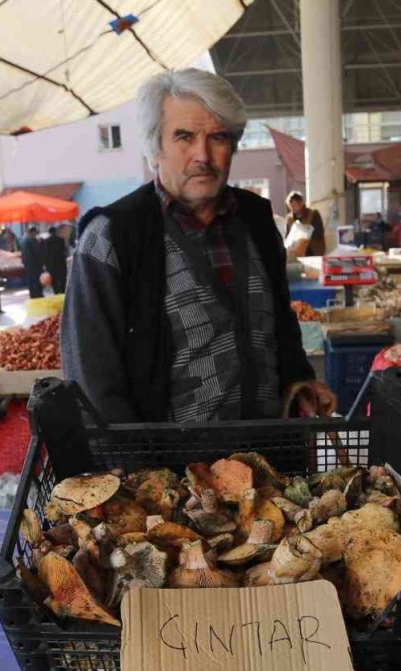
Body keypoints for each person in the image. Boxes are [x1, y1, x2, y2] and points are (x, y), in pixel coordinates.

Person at [61, 67, 331, 423]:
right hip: (166, 468)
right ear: (155, 147)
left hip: (270, 457)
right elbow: (90, 375)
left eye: (218, 137)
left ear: (232, 147)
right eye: (184, 137)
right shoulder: (112, 235)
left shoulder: (256, 218)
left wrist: (300, 382)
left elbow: (280, 320)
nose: (202, 155)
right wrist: (133, 467)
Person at [283, 191, 327, 257]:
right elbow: (288, 236)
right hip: (295, 253)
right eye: (291, 206)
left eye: (295, 205)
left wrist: (304, 236)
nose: (293, 208)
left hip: (313, 251)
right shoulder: (290, 218)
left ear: (301, 203)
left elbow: (318, 233)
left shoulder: (313, 214)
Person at [43, 224, 68, 295]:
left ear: (49, 232)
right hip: (61, 263)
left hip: (51, 265)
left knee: (54, 280)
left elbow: (45, 254)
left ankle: (56, 292)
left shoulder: (46, 241)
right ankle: (62, 292)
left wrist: (45, 264)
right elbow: (64, 251)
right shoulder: (61, 240)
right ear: (55, 231)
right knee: (62, 279)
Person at [19, 226, 44, 299]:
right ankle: (37, 294)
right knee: (36, 280)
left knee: (30, 279)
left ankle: (33, 294)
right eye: (36, 232)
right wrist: (40, 243)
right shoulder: (32, 240)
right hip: (35, 265)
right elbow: (37, 251)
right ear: (33, 232)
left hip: (27, 264)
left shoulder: (24, 240)